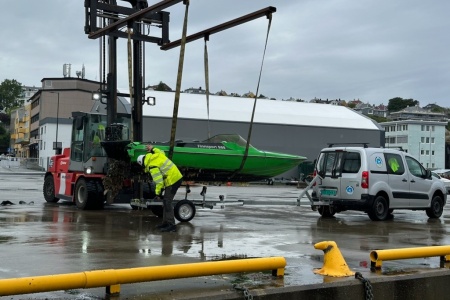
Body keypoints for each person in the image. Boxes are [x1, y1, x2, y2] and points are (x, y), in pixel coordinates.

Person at [137, 145, 183, 232]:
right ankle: (166, 223)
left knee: (167, 202)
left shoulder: (152, 166)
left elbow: (159, 182)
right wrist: (153, 148)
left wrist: (157, 193)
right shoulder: (156, 155)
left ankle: (171, 225)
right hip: (175, 177)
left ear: (142, 164)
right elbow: (161, 152)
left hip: (173, 180)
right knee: (166, 201)